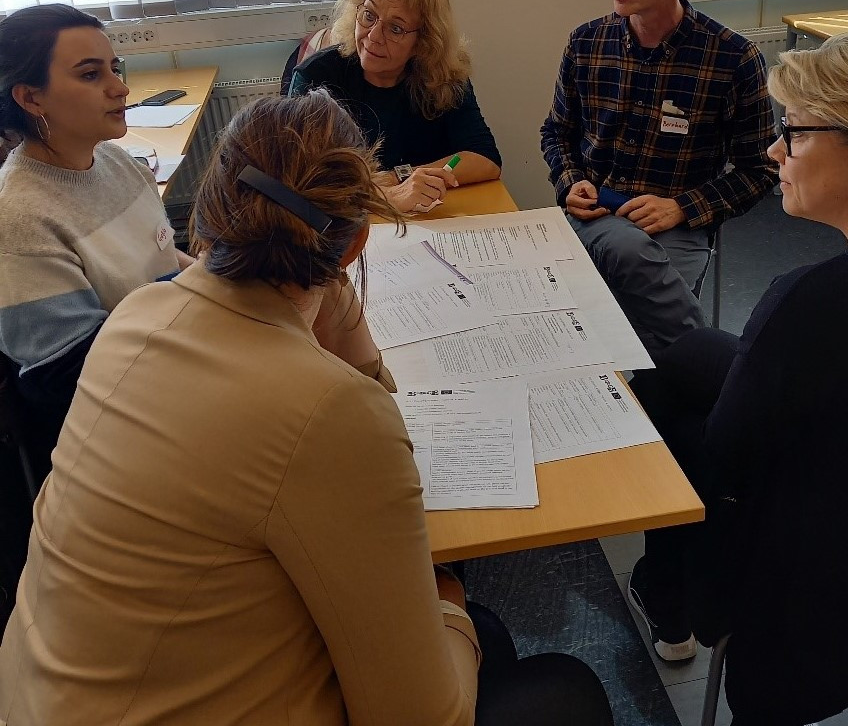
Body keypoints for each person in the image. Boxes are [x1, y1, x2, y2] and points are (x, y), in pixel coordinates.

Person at [0, 90, 613, 726]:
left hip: (44, 695)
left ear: (205, 213)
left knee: (483, 639)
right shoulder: (327, 409)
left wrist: (332, 290)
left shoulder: (135, 316)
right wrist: (449, 599)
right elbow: (423, 716)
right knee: (562, 685)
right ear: (352, 246)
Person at [626, 31, 848, 725]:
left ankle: (670, 602)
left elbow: (733, 465)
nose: (772, 151)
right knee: (689, 353)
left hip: (834, 594)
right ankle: (663, 592)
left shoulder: (810, 302)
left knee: (669, 405)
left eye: (791, 134)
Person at [541, 0, 776, 359]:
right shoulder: (587, 43)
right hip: (594, 216)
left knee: (627, 329)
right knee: (631, 288)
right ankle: (717, 372)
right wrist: (570, 183)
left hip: (676, 228)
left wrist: (682, 208)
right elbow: (557, 133)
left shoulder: (732, 58)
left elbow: (761, 170)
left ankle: (670, 392)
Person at [0, 4, 192, 469]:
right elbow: (62, 371)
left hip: (174, 368)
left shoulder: (116, 161)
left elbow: (165, 256)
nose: (120, 87)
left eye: (114, 68)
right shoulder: (18, 217)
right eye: (90, 75)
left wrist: (223, 273)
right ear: (31, 98)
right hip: (115, 428)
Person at [289, 0, 502, 213]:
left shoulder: (444, 77)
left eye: (396, 28)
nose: (374, 36)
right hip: (344, 226)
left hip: (430, 222)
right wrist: (387, 196)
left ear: (423, 41)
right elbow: (295, 181)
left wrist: (398, 177)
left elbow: (485, 158)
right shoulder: (316, 77)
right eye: (369, 15)